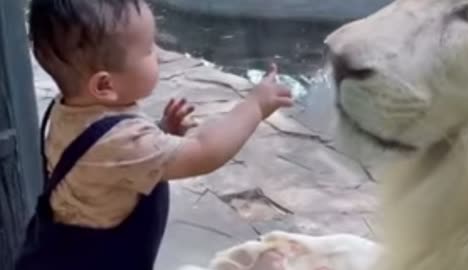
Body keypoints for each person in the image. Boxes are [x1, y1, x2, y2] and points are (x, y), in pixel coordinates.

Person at [15, 0, 293, 269]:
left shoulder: (66, 109)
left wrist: (161, 133)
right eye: (148, 49)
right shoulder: (124, 143)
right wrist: (255, 106)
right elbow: (204, 151)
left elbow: (107, 165)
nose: (159, 53)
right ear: (104, 85)